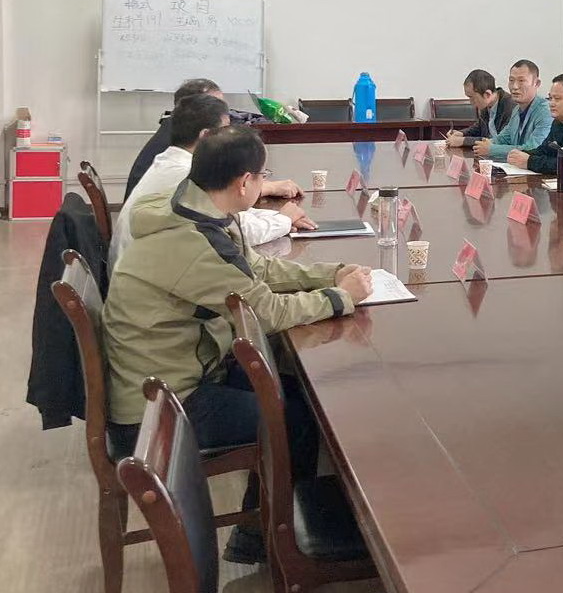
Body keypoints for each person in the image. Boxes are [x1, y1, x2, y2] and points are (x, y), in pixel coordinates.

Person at [104, 124, 374, 562]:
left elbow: (256, 271)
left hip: (174, 372)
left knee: (298, 393)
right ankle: (269, 541)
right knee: (295, 418)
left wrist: (331, 273)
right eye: (262, 176)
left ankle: (272, 522)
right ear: (244, 182)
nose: (266, 183)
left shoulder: (194, 207)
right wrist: (341, 298)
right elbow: (265, 312)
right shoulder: (193, 242)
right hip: (161, 404)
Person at [109, 94, 313, 272]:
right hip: (153, 282)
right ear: (206, 136)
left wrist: (278, 216)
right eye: (225, 130)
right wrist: (283, 220)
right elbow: (233, 234)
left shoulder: (172, 160)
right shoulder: (185, 173)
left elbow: (228, 216)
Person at [124, 77, 264, 199]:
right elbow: (224, 196)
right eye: (213, 106)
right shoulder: (179, 159)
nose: (222, 112)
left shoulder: (177, 137)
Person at [474, 59, 553, 160]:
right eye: (511, 80)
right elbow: (504, 137)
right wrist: (489, 143)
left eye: (521, 81)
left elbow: (534, 148)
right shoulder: (516, 109)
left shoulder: (546, 112)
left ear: (536, 83)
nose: (515, 86)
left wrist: (491, 149)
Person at [445, 69, 514, 148]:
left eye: (472, 97)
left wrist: (464, 141)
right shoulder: (486, 104)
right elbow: (478, 128)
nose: (471, 102)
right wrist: (462, 133)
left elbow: (499, 140)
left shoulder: (510, 107)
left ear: (487, 94)